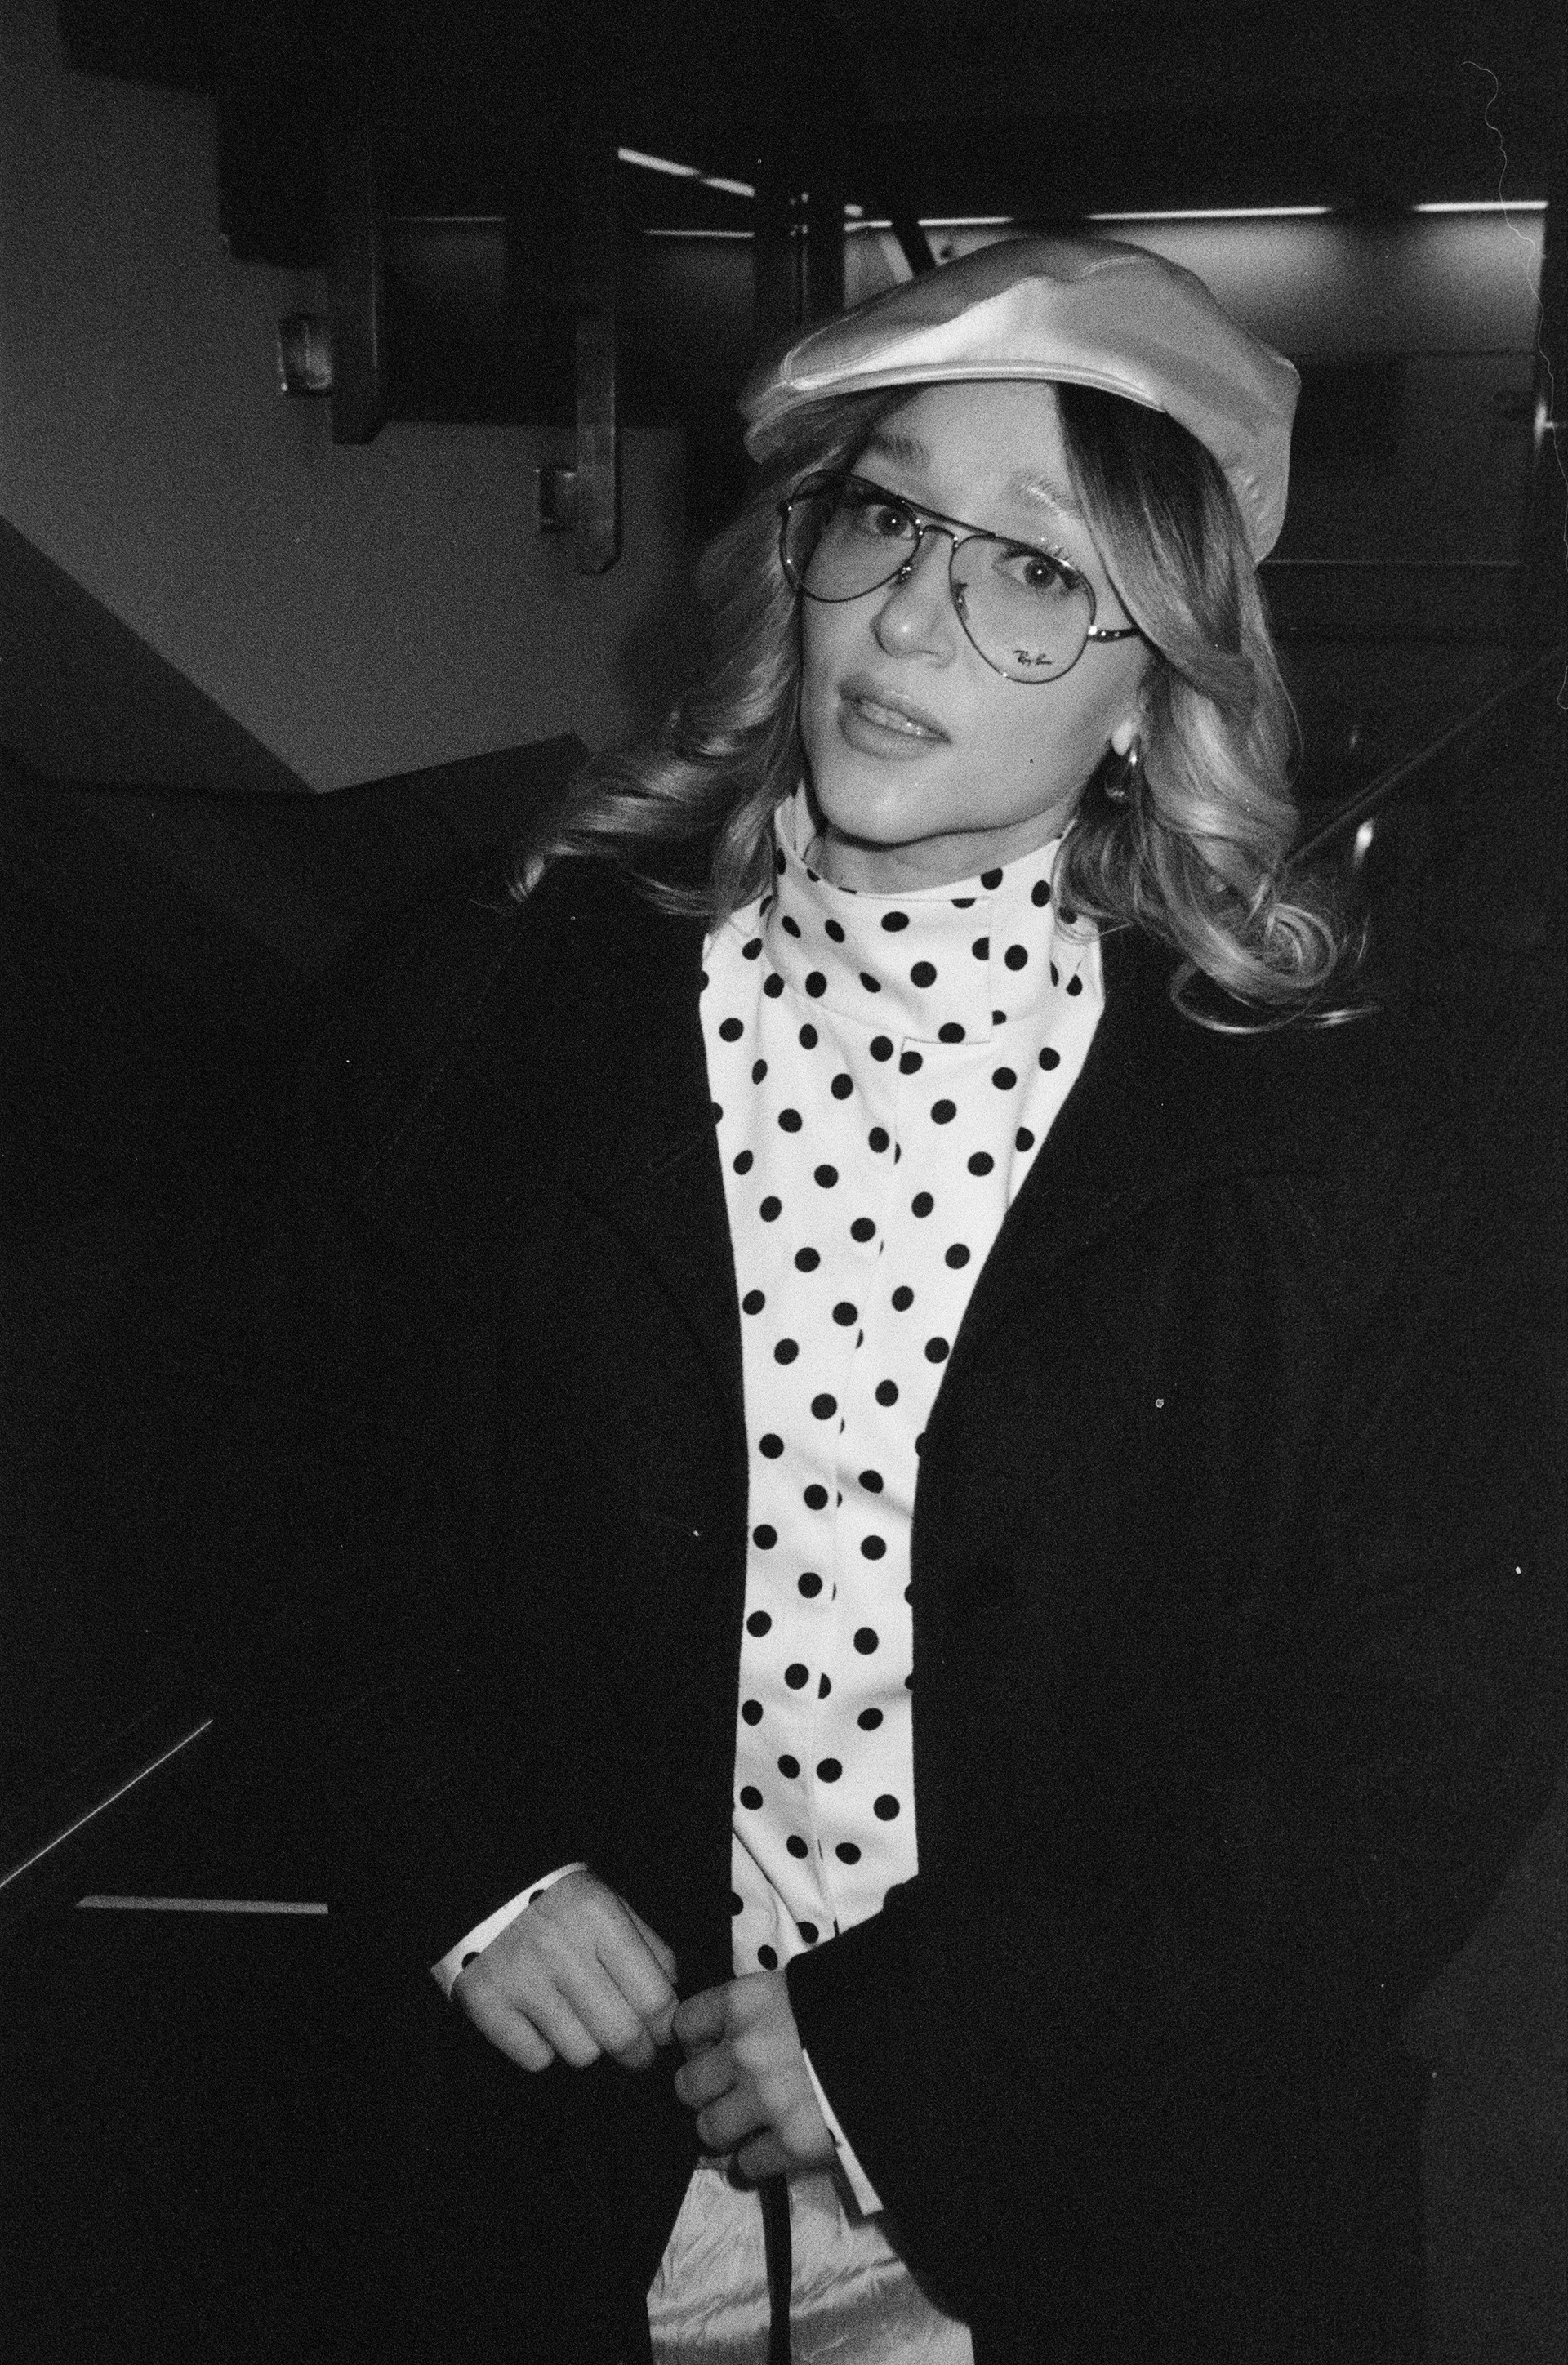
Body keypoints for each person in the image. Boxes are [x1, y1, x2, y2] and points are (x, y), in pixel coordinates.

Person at [301, 239, 1561, 2363]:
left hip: (1099, 2187)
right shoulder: (496, 1005)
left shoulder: (1342, 1142)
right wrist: (472, 1858)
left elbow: (1423, 1733)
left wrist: (925, 2045)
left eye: (1038, 570)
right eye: (887, 518)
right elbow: (290, 1472)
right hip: (588, 2169)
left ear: (1156, 688)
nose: (911, 616)